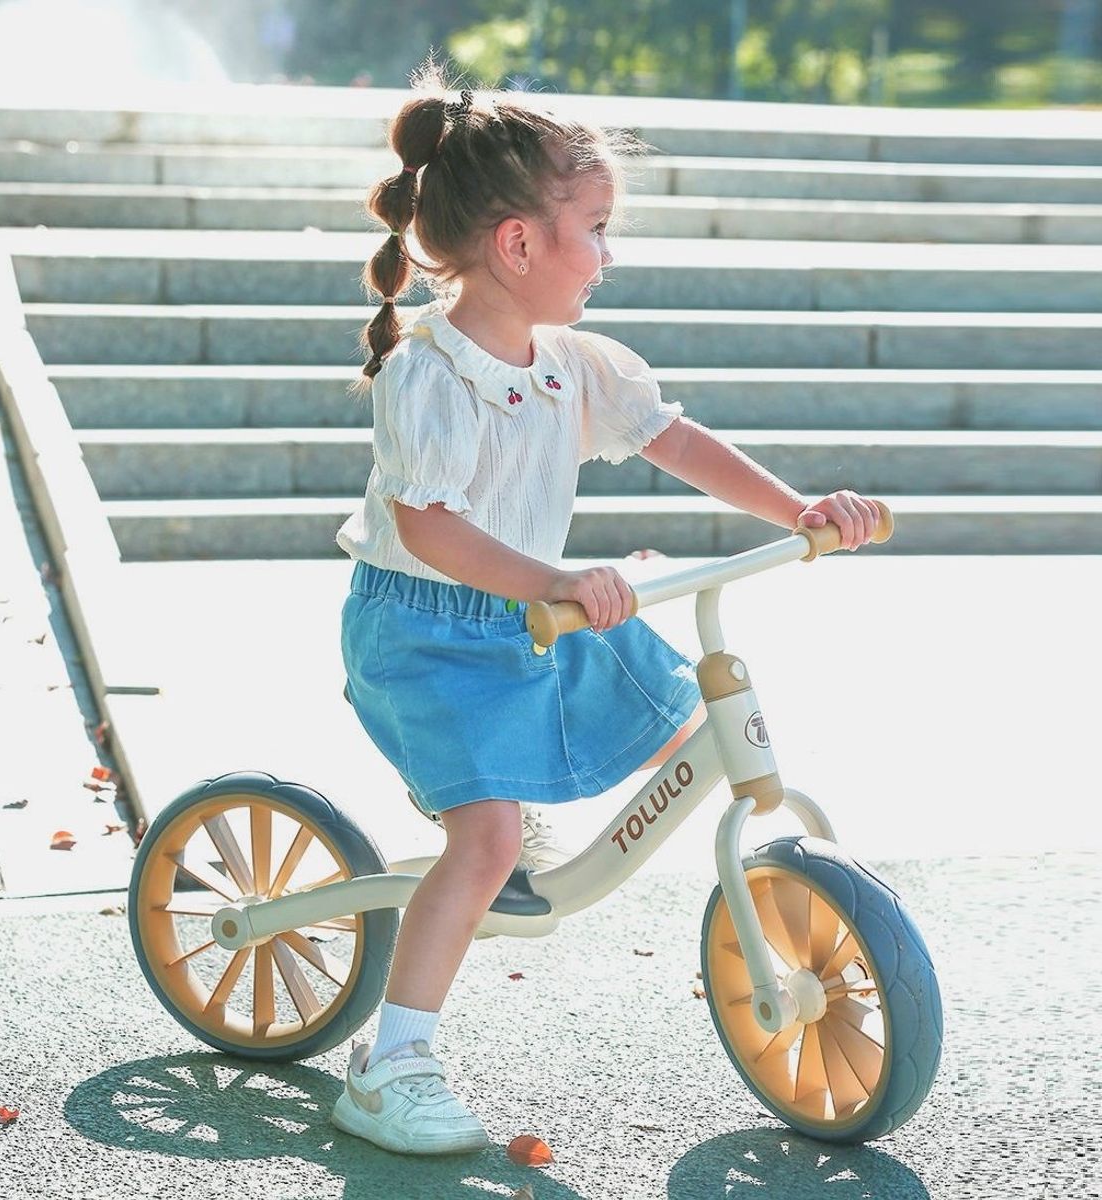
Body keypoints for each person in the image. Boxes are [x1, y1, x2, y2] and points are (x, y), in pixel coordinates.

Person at [330, 58, 881, 1156]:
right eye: (595, 226)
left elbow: (673, 439)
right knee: (483, 845)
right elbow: (431, 526)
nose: (610, 254)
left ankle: (502, 802)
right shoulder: (430, 375)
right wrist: (554, 578)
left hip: (536, 618)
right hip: (427, 633)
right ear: (519, 245)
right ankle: (389, 1065)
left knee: (681, 714)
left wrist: (795, 509)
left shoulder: (574, 364)